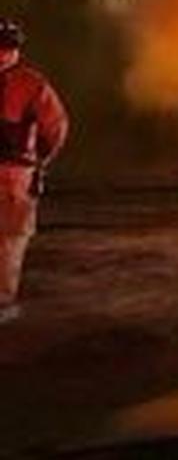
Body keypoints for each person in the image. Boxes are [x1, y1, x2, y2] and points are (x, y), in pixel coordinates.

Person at [0, 19, 68, 313]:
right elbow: (56, 128)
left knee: (10, 240)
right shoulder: (32, 83)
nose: (3, 53)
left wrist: (38, 163)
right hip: (16, 173)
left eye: (8, 47)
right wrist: (40, 160)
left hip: (15, 174)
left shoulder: (32, 84)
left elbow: (55, 127)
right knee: (10, 240)